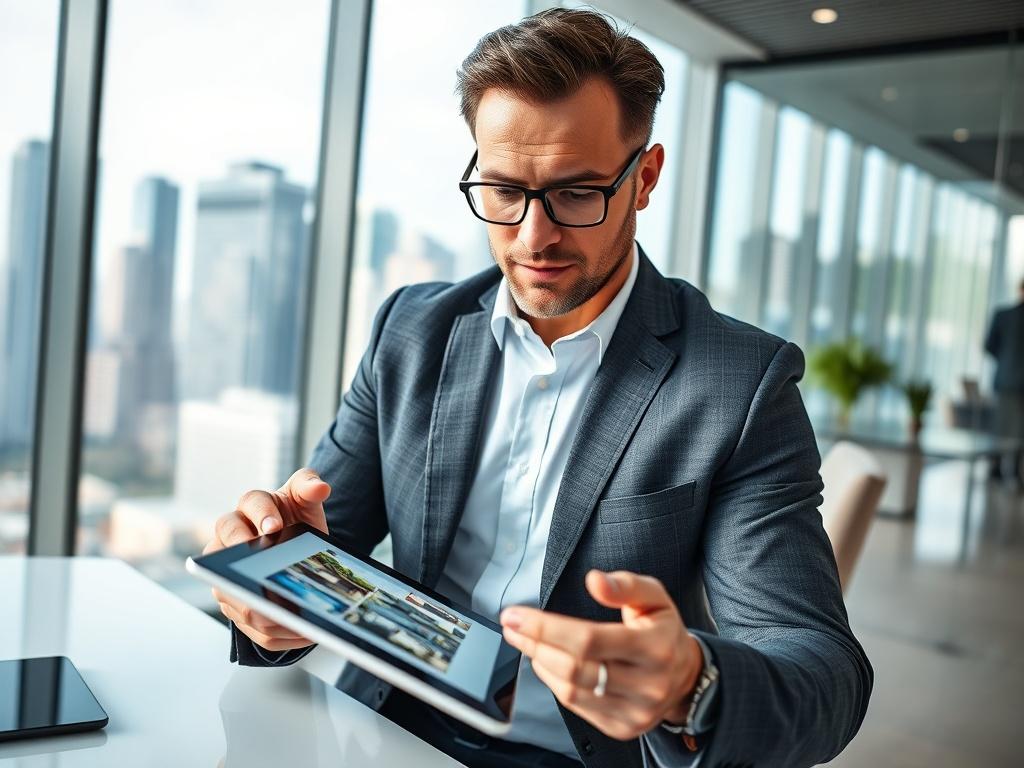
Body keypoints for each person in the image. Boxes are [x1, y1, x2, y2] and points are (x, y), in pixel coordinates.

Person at [203, 9, 872, 767]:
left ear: (644, 178)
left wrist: (691, 685)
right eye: (503, 190)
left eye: (577, 193)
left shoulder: (738, 385)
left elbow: (823, 671)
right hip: (384, 731)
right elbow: (322, 545)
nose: (533, 237)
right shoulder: (412, 331)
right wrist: (267, 583)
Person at [984, 279, 1024, 483]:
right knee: (1018, 429)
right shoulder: (1003, 315)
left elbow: (989, 346)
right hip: (1016, 383)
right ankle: (1013, 471)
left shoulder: (1003, 315)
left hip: (1005, 380)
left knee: (1001, 426)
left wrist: (1006, 361)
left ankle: (997, 468)